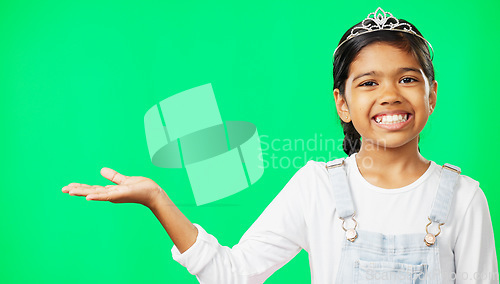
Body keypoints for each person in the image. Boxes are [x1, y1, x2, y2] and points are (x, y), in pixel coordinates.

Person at [62, 7, 498, 283]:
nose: (390, 94)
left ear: (432, 95)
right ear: (343, 104)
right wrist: (156, 199)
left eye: (407, 79)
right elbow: (232, 275)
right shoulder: (317, 187)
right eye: (368, 82)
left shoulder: (463, 197)